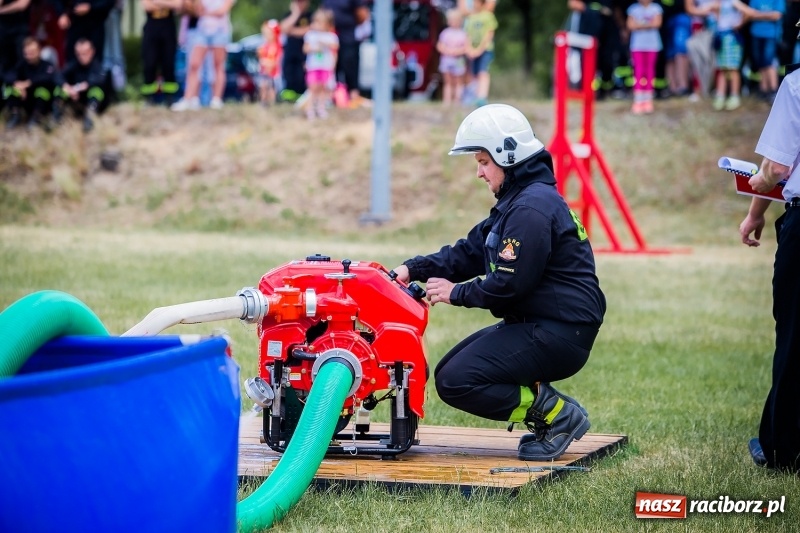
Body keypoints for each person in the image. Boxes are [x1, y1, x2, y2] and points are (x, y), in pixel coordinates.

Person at [393, 104, 606, 462]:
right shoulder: (518, 202)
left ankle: (556, 416)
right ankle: (551, 412)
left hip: (560, 332)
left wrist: (456, 292)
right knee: (449, 373)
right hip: (544, 325)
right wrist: (411, 269)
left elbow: (510, 284)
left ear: (507, 157)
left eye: (483, 162)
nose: (479, 172)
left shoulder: (530, 210)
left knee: (459, 380)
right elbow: (468, 252)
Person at [738, 47, 800, 473]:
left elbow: (777, 167)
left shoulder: (797, 84)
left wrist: (754, 186)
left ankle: (785, 449)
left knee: (796, 339)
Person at [171, 0, 235, 111]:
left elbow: (222, 10)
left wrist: (205, 12)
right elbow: (195, 8)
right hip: (201, 29)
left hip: (220, 30)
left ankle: (216, 99)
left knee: (218, 65)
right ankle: (189, 99)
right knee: (194, 65)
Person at [4, 37, 58, 130]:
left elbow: (48, 78)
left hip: (43, 104)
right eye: (27, 53)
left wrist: (29, 83)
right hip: (26, 100)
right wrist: (17, 84)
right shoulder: (22, 65)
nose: (30, 56)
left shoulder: (47, 65)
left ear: (39, 51)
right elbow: (9, 75)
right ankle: (15, 116)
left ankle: (36, 118)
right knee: (9, 89)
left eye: (32, 52)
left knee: (42, 91)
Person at [321, 0, 368, 106]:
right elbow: (323, 11)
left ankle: (353, 96)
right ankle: (333, 97)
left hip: (348, 38)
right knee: (332, 67)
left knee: (350, 66)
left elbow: (362, 14)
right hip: (331, 37)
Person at [57, 38, 107, 132]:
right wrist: (67, 87)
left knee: (96, 91)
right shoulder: (74, 64)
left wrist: (85, 86)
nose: (81, 56)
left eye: (85, 53)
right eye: (78, 53)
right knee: (59, 90)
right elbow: (58, 75)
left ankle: (89, 119)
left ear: (92, 51)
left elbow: (101, 79)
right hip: (75, 99)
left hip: (93, 102)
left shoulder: (97, 66)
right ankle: (56, 118)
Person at [141, 0, 182, 105]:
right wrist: (167, 3)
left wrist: (156, 2)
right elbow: (146, 6)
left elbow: (178, 4)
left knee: (168, 62)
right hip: (151, 26)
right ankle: (149, 98)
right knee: (149, 62)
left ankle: (169, 97)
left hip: (168, 26)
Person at [745, 0, 785, 103]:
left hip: (770, 35)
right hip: (756, 34)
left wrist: (757, 15)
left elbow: (777, 15)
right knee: (760, 63)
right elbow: (749, 13)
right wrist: (767, 15)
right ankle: (764, 90)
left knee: (769, 62)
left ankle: (773, 90)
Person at [710, 0, 748, 111]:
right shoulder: (721, 3)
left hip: (732, 39)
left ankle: (734, 96)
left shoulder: (734, 2)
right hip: (721, 38)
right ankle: (720, 96)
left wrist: (738, 24)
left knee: (733, 68)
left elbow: (748, 12)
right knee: (722, 68)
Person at [627, 0, 663, 114]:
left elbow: (657, 23)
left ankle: (648, 99)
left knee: (649, 70)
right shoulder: (633, 9)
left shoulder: (656, 8)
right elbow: (630, 25)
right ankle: (638, 98)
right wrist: (648, 24)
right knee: (638, 70)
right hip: (637, 45)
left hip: (652, 45)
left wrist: (640, 25)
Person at [52, 0, 114, 65]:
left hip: (95, 23)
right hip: (74, 23)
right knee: (72, 60)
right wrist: (62, 13)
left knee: (95, 59)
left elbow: (109, 2)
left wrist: (90, 7)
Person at [302, 8, 338, 120]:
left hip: (325, 66)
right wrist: (314, 48)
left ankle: (321, 108)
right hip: (313, 66)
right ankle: (310, 108)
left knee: (323, 88)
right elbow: (305, 49)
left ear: (327, 25)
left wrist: (323, 43)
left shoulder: (331, 37)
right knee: (313, 88)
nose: (316, 25)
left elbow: (335, 47)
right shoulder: (310, 35)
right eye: (315, 22)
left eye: (319, 22)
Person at [464, 0, 497, 107]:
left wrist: (479, 49)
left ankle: (482, 97)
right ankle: (475, 96)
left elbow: (489, 34)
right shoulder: (471, 18)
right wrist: (469, 48)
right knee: (474, 74)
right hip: (473, 51)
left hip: (485, 50)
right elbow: (467, 35)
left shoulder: (488, 16)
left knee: (483, 73)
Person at [279, 0, 312, 102]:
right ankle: (289, 98)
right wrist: (295, 14)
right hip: (290, 52)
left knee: (302, 76)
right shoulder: (288, 15)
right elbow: (283, 28)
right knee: (289, 74)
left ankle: (301, 98)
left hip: (304, 53)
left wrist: (292, 31)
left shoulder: (311, 16)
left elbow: (310, 29)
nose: (300, 4)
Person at [661, 0, 693, 97]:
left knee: (681, 52)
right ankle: (673, 87)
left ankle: (683, 86)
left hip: (680, 18)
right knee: (670, 55)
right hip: (666, 20)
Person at [437, 8, 467, 106]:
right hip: (447, 60)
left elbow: (466, 47)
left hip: (459, 60)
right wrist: (448, 51)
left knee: (458, 81)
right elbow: (440, 45)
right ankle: (447, 101)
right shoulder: (445, 33)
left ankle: (457, 100)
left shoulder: (463, 34)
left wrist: (456, 51)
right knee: (448, 82)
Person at [257, 19, 282, 107]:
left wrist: (266, 63)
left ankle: (272, 103)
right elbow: (261, 58)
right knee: (263, 87)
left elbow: (276, 62)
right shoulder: (264, 46)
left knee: (271, 89)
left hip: (273, 74)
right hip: (264, 72)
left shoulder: (277, 47)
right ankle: (263, 102)